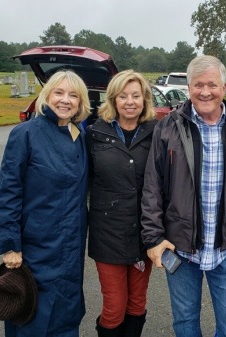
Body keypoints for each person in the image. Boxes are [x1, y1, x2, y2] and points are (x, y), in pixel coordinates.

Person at [141, 55, 226, 337]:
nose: (205, 92)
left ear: (224, 87)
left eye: (212, 85)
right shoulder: (168, 127)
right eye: (198, 85)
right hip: (181, 247)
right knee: (185, 324)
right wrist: (154, 238)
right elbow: (152, 187)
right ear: (189, 87)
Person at [0, 70, 90, 336]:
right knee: (31, 315)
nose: (65, 100)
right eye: (59, 92)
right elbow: (8, 192)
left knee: (66, 314)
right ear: (46, 95)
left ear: (81, 103)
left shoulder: (79, 137)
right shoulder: (25, 134)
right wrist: (10, 244)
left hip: (70, 247)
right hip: (35, 247)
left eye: (73, 95)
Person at [86, 70, 157, 337]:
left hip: (143, 234)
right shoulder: (94, 133)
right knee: (115, 306)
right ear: (113, 100)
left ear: (144, 99)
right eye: (123, 96)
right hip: (108, 235)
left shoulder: (156, 133)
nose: (130, 101)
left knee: (137, 303)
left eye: (136, 96)